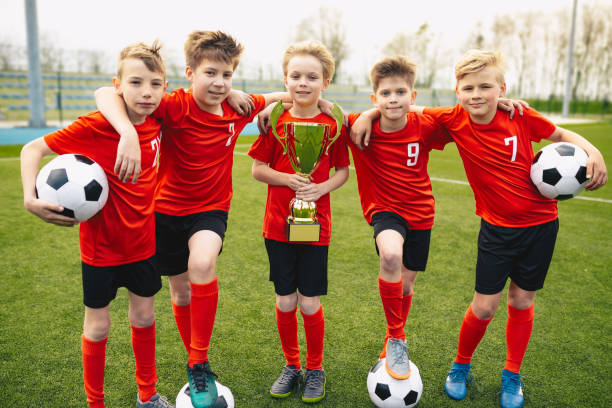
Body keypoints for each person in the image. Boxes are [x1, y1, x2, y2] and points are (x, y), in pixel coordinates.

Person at [351, 49, 607, 408]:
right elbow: (403, 106)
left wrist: (592, 150)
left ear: (501, 88)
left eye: (485, 87)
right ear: (457, 91)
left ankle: (512, 375)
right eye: (468, 87)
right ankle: (460, 366)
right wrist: (369, 112)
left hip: (542, 226)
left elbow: (560, 132)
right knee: (485, 307)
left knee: (522, 300)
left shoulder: (521, 116)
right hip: (496, 230)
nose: (476, 94)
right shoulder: (453, 119)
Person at [93, 30, 297, 408]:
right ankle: (194, 358)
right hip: (165, 210)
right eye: (210, 73)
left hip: (210, 209)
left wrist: (267, 106)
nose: (219, 83)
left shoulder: (239, 106)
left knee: (202, 263)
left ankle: (198, 361)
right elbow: (106, 93)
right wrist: (126, 132)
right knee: (180, 290)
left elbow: (287, 95)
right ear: (190, 72)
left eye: (227, 75)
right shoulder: (173, 105)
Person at [20, 41, 173, 408]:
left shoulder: (159, 119)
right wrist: (29, 197)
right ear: (119, 85)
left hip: (143, 245)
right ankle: (95, 403)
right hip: (100, 251)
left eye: (156, 84)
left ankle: (147, 396)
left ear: (165, 88)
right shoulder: (94, 126)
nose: (146, 92)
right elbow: (32, 149)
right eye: (136, 83)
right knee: (98, 326)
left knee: (145, 316)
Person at [248, 40, 350, 403]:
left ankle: (316, 368)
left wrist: (320, 188)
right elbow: (257, 170)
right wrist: (286, 178)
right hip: (277, 226)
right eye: (295, 76)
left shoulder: (333, 123)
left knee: (309, 302)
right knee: (286, 300)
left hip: (316, 227)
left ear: (325, 81)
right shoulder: (274, 120)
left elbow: (343, 171)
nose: (302, 83)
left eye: (311, 77)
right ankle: (292, 365)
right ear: (285, 79)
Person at [346, 56, 452, 380]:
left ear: (413, 96)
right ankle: (397, 337)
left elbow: (460, 122)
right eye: (386, 94)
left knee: (405, 285)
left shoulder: (425, 127)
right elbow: (318, 110)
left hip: (421, 211)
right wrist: (366, 115)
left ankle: (393, 335)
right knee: (391, 255)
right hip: (384, 209)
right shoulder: (359, 125)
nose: (393, 99)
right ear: (374, 97)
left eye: (400, 92)